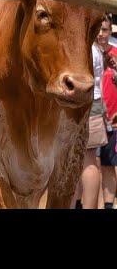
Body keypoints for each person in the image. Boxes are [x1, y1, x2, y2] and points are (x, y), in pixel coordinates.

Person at [76, 15, 112, 208]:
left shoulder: (89, 48)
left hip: (86, 105)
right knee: (83, 160)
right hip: (93, 103)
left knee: (87, 160)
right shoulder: (96, 49)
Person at [100, 44, 117, 209]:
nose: (100, 34)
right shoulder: (87, 52)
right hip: (93, 118)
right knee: (88, 165)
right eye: (99, 30)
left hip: (113, 120)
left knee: (108, 164)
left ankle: (108, 205)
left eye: (105, 30)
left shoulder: (115, 53)